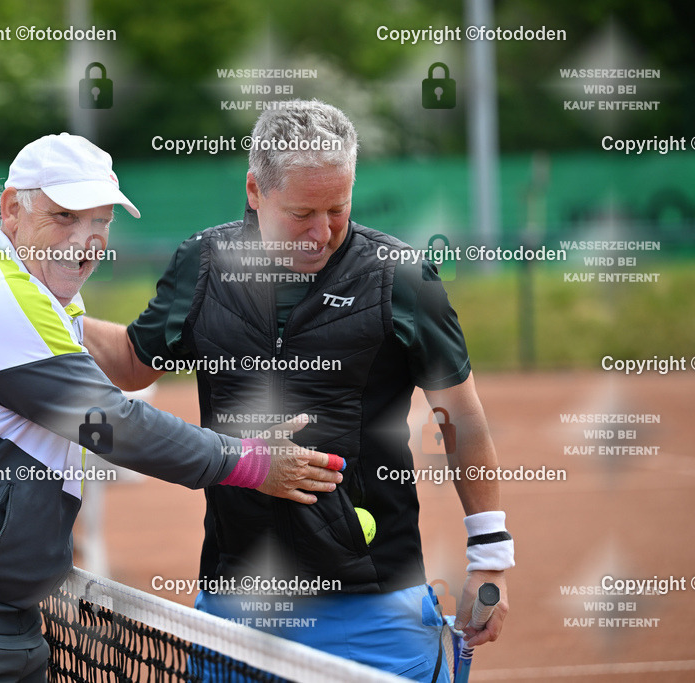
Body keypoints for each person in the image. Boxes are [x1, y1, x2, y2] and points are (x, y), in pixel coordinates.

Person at [0, 133, 344, 682]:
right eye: (64, 216)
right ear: (11, 209)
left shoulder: (31, 292)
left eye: (101, 221)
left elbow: (119, 369)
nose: (86, 239)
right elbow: (112, 424)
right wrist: (252, 463)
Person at [83, 101, 512, 682]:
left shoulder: (402, 278)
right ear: (255, 190)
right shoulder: (205, 265)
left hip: (375, 602)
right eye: (302, 212)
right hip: (238, 600)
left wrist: (490, 559)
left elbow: (461, 416)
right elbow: (134, 362)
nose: (322, 232)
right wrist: (44, 311)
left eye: (339, 208)